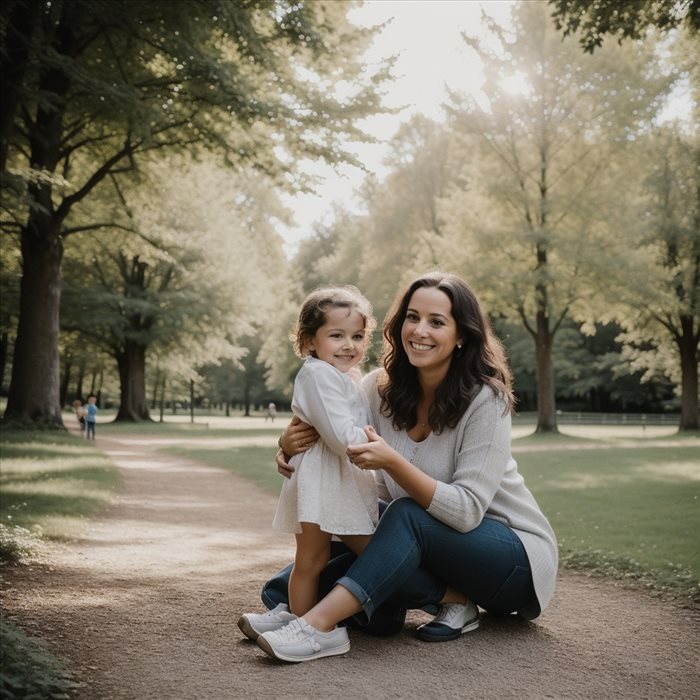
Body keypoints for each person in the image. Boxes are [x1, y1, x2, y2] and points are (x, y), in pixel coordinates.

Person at [251, 271, 558, 663]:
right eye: (412, 317)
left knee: (405, 514)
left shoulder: (486, 400)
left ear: (461, 334)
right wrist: (289, 444)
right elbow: (330, 423)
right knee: (344, 513)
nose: (420, 330)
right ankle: (292, 607)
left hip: (511, 559)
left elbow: (465, 512)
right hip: (431, 546)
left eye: (436, 321)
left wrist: (394, 463)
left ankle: (315, 626)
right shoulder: (377, 388)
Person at [237, 286, 381, 643]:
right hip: (324, 477)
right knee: (318, 559)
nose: (349, 344)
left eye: (358, 336)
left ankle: (296, 621)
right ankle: (305, 629)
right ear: (309, 341)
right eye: (337, 335)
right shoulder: (317, 374)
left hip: (337, 478)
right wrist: (379, 445)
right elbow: (339, 437)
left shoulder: (343, 375)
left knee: (329, 557)